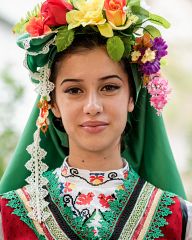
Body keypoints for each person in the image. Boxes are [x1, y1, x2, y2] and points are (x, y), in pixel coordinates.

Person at [0, 0, 192, 239]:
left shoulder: (180, 220)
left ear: (132, 98)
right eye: (74, 90)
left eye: (109, 87)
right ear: (53, 104)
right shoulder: (8, 217)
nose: (92, 106)